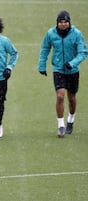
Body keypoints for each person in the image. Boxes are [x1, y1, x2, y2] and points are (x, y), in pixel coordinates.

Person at [38, 10, 87, 138]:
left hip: (72, 71)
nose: (63, 24)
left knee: (71, 98)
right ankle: (61, 125)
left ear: (69, 23)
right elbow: (45, 49)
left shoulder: (76, 34)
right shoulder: (51, 33)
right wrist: (42, 65)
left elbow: (83, 52)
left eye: (66, 22)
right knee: (60, 96)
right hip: (58, 69)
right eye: (61, 22)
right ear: (57, 23)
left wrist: (73, 63)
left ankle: (71, 120)